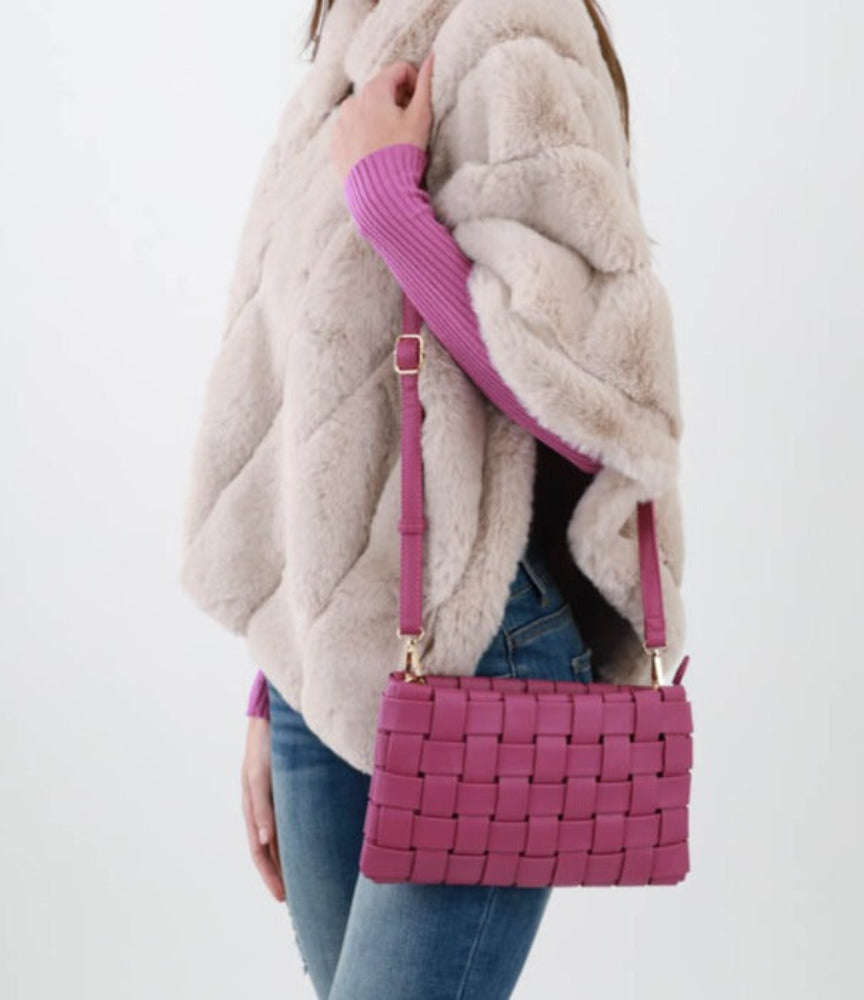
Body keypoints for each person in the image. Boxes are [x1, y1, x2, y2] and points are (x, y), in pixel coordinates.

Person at [180, 1, 687, 996]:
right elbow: (308, 412)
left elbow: (601, 407)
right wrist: (276, 679)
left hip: (478, 645)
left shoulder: (518, 33)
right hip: (325, 664)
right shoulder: (352, 43)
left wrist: (390, 208)